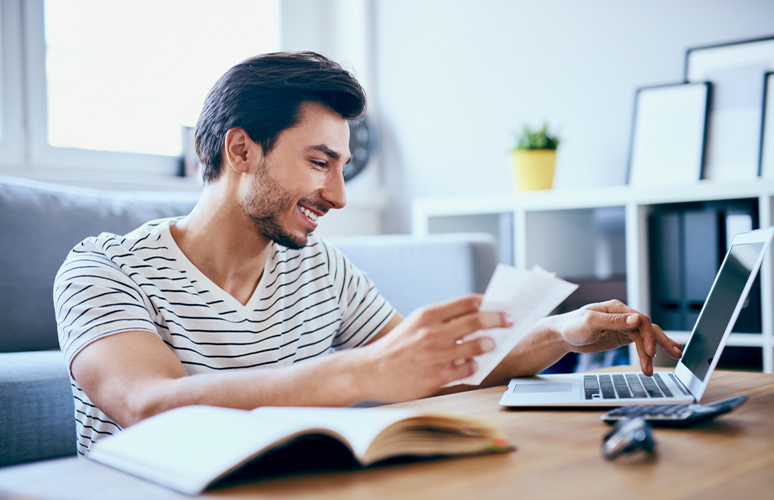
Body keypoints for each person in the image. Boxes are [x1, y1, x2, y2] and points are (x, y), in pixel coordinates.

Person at [54, 52, 683, 455]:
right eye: (319, 163)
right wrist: (361, 373)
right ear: (240, 150)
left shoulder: (319, 267)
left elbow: (436, 365)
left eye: (344, 167)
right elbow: (145, 405)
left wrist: (563, 333)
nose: (339, 195)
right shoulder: (104, 268)